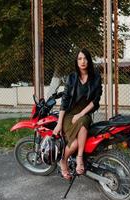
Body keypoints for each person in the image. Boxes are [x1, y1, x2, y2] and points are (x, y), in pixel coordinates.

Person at [53, 48, 102, 180]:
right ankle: (63, 160)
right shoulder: (71, 78)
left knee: (84, 119)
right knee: (73, 144)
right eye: (80, 59)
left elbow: (95, 101)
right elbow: (64, 101)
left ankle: (79, 158)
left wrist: (80, 114)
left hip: (83, 113)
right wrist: (59, 123)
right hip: (69, 114)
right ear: (77, 61)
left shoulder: (96, 77)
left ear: (89, 60)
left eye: (85, 58)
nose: (82, 61)